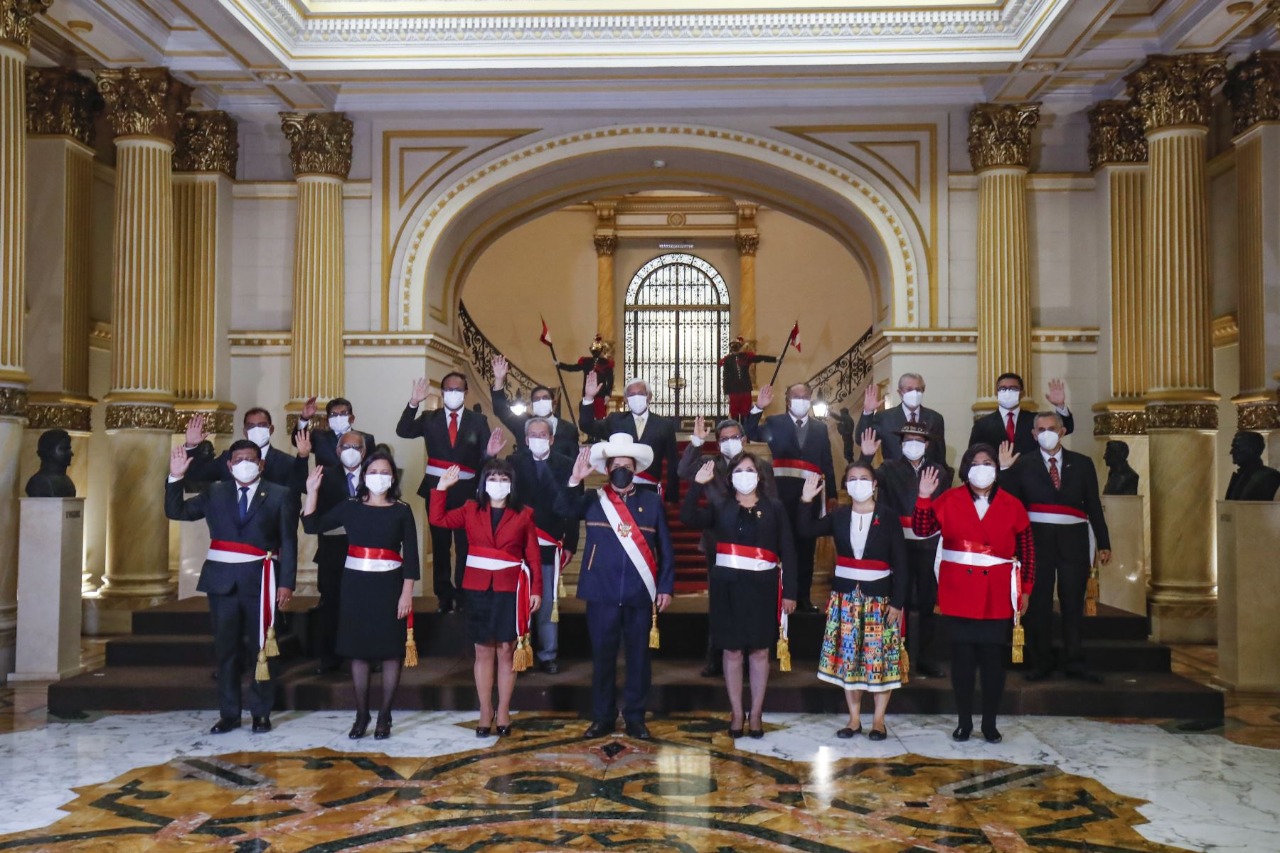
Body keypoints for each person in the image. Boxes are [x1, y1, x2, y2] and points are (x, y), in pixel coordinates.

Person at [165, 439, 297, 735]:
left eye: (250, 458)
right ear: (229, 464)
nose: (244, 463)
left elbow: (289, 541)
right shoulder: (215, 491)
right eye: (238, 459)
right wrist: (175, 477)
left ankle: (261, 712)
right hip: (222, 582)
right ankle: (229, 714)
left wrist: (286, 583)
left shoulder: (279, 494)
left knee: (263, 650)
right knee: (226, 650)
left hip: (262, 581)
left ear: (261, 463)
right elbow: (177, 511)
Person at [913, 444, 1035, 744]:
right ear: (966, 468)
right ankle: (964, 721)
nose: (982, 468)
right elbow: (922, 529)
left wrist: (1026, 589)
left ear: (996, 468)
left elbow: (1028, 550)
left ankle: (990, 723)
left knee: (994, 662)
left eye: (988, 462)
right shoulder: (950, 498)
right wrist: (924, 496)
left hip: (996, 593)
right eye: (976, 462)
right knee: (963, 661)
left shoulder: (1011, 504)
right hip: (959, 592)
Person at [555, 434, 675, 739]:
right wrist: (574, 479)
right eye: (616, 465)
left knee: (638, 659)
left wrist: (666, 586)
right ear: (607, 469)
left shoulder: (651, 501)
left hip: (639, 592)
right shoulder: (594, 500)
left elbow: (665, 547)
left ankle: (635, 717)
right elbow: (563, 509)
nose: (622, 470)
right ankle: (603, 717)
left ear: (635, 468)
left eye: (627, 465)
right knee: (603, 658)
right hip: (601, 592)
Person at [302, 451, 419, 740]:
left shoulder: (402, 510)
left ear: (392, 477)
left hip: (390, 584)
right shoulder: (350, 506)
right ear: (364, 476)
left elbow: (413, 558)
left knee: (391, 651)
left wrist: (407, 594)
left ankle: (385, 715)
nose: (379, 476)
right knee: (358, 651)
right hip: (355, 584)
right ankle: (362, 713)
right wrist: (312, 492)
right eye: (374, 471)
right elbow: (311, 525)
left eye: (385, 471)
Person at [683, 452, 796, 739]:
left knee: (759, 651)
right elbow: (688, 517)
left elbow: (789, 550)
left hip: (763, 586)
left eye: (750, 470)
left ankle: (756, 713)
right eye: (739, 471)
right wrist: (697, 485)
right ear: (731, 477)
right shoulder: (721, 505)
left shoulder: (775, 507)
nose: (744, 475)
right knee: (732, 650)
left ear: (759, 476)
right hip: (728, 586)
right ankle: (736, 712)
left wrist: (791, 592)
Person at [431, 456, 542, 738]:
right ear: (483, 482)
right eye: (493, 478)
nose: (498, 483)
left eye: (504, 479)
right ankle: (485, 710)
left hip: (509, 588)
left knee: (506, 650)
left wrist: (537, 589)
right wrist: (441, 488)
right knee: (482, 651)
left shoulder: (524, 514)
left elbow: (533, 555)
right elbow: (438, 519)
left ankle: (503, 709)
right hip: (478, 587)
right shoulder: (470, 509)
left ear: (512, 485)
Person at [798, 460, 907, 740]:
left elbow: (902, 562)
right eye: (852, 478)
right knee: (850, 659)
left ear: (874, 485)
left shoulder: (888, 516)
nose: (858, 482)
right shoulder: (839, 515)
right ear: (847, 485)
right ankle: (854, 719)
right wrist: (805, 500)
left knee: (879, 659)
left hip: (879, 600)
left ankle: (879, 720)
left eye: (864, 478)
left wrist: (897, 601)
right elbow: (806, 530)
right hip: (846, 597)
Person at [999, 413, 1111, 684]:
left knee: (1073, 602)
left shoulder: (1083, 464)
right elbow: (1008, 504)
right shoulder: (1022, 464)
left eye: (1052, 428)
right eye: (1041, 429)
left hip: (1074, 539)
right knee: (1038, 604)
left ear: (1061, 431)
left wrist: (1104, 542)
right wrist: (1004, 471)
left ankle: (1074, 661)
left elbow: (1093, 505)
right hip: (1036, 541)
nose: (1046, 432)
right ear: (1034, 434)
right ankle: (1041, 661)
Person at [861, 422, 953, 678]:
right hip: (897, 544)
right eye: (907, 440)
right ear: (901, 444)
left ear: (927, 444)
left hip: (928, 544)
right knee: (895, 601)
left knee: (925, 603)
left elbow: (945, 506)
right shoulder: (888, 468)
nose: (913, 444)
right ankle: (891, 653)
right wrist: (866, 455)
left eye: (918, 440)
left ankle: (923, 657)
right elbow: (862, 478)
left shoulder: (939, 471)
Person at [396, 372, 494, 614]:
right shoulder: (430, 418)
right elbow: (403, 430)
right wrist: (413, 403)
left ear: (466, 392)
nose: (452, 393)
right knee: (439, 545)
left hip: (467, 491)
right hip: (436, 489)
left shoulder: (478, 421)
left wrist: (485, 478)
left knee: (464, 545)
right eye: (448, 389)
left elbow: (485, 456)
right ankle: (443, 594)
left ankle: (463, 594)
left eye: (457, 389)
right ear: (442, 392)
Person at [744, 382, 837, 611]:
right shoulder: (776, 423)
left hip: (811, 498)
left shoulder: (820, 428)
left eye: (806, 396)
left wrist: (832, 494)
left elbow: (827, 463)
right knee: (782, 546)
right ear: (787, 400)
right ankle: (780, 596)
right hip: (781, 497)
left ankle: (803, 598)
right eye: (796, 396)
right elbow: (749, 432)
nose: (801, 400)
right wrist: (758, 407)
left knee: (806, 549)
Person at [677, 415, 747, 678]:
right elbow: (683, 471)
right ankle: (714, 657)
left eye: (734, 437)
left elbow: (770, 500)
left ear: (744, 439)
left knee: (747, 603)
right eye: (724, 439)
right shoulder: (709, 463)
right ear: (718, 444)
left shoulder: (757, 466)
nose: (730, 442)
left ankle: (748, 657)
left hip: (749, 544)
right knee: (719, 604)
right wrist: (696, 441)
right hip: (716, 541)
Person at [508, 417, 579, 674]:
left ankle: (548, 654)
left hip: (550, 542)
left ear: (551, 438)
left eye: (543, 434)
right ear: (526, 440)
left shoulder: (566, 465)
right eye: (533, 435)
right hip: (518, 544)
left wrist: (570, 542)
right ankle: (521, 651)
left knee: (547, 602)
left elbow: (573, 507)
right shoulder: (512, 464)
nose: (538, 438)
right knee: (521, 600)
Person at [306, 430, 369, 674]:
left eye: (356, 447)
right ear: (337, 451)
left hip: (365, 552)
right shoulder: (324, 477)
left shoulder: (375, 474)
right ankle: (330, 657)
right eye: (345, 447)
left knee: (364, 605)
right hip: (333, 551)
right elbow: (316, 517)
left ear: (363, 452)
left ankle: (367, 654)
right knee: (331, 606)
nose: (350, 452)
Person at [579, 372, 680, 503]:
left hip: (649, 489)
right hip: (619, 487)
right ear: (626, 399)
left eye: (641, 393)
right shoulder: (615, 420)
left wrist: (672, 497)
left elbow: (673, 463)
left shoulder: (665, 425)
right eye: (631, 395)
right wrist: (588, 397)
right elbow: (587, 426)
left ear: (649, 397)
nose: (636, 397)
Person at [182, 409, 307, 492]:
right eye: (251, 426)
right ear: (244, 431)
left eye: (262, 425)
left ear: (271, 429)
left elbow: (300, 488)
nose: (256, 429)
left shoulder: (286, 462)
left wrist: (303, 456)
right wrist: (191, 446)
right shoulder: (227, 458)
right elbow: (196, 475)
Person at [491, 355, 579, 458]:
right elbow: (500, 410)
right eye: (536, 399)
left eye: (545, 398)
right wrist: (499, 379)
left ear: (553, 402)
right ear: (532, 405)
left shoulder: (569, 429)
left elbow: (574, 461)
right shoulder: (522, 423)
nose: (541, 401)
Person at [968, 374, 1074, 457]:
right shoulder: (982, 425)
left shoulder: (1035, 420)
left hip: (1030, 479)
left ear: (1022, 393)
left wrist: (1060, 405)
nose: (1008, 392)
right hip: (998, 480)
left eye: (1013, 388)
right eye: (1003, 389)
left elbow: (1066, 428)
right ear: (997, 393)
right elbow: (972, 455)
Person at [857, 374, 947, 465]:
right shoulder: (884, 418)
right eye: (909, 389)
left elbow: (940, 455)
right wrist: (868, 412)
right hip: (893, 475)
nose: (914, 393)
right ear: (900, 392)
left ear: (923, 391)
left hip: (926, 476)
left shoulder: (935, 418)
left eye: (918, 389)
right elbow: (861, 440)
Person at [293, 395, 377, 469]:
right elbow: (298, 441)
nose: (338, 417)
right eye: (333, 414)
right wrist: (304, 418)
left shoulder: (366, 439)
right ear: (328, 420)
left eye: (343, 413)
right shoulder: (319, 438)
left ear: (352, 418)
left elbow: (372, 466)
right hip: (326, 485)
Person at [719, 335, 776, 422]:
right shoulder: (727, 360)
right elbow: (725, 376)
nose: (734, 347)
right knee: (734, 413)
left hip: (745, 389)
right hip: (733, 391)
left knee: (745, 413)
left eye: (736, 346)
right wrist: (726, 392)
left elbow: (760, 358)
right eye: (732, 346)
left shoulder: (746, 357)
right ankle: (736, 431)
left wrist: (775, 359)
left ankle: (745, 431)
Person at [558, 334, 614, 420]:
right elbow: (573, 368)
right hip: (588, 395)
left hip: (600, 394)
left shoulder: (606, 363)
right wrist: (560, 365)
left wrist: (607, 394)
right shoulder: (586, 362)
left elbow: (610, 380)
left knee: (599, 418)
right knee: (587, 417)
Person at [1225, 431, 1280, 501]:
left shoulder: (1270, 476)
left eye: (1237, 447)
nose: (1231, 452)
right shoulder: (1240, 476)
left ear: (1251, 449)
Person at [25, 428, 76, 497]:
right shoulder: (39, 483)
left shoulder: (68, 481)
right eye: (64, 449)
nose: (71, 453)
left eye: (69, 449)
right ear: (48, 452)